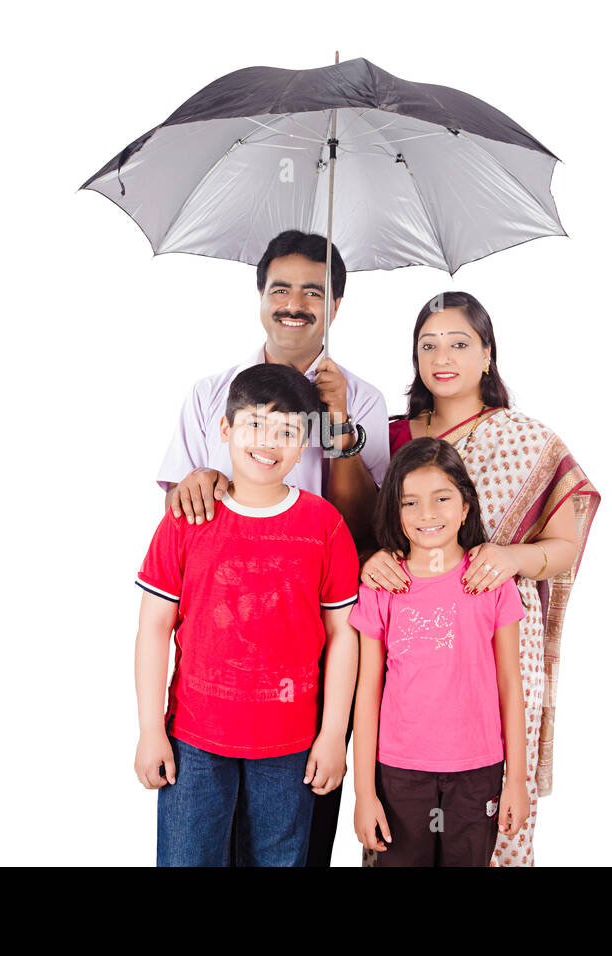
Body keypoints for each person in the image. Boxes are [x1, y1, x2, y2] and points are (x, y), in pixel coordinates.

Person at [156, 229, 389, 866]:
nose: (295, 303)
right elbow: (182, 521)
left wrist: (338, 431)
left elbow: (363, 526)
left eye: (314, 292)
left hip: (310, 645)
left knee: (294, 837)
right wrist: (197, 480)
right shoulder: (211, 392)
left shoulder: (361, 397)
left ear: (335, 306)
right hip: (219, 659)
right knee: (204, 832)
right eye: (280, 288)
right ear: (260, 296)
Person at [360, 291, 602, 867]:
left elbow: (564, 546)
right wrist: (369, 559)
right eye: (428, 344)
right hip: (406, 650)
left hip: (494, 637)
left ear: (488, 355)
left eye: (460, 343)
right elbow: (362, 524)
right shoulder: (388, 433)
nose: (443, 356)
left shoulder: (527, 440)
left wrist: (514, 558)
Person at [134, 363, 361, 866]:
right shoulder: (188, 518)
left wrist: (331, 733)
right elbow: (153, 627)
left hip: (291, 745)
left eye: (287, 431)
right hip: (194, 737)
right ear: (225, 430)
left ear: (304, 445)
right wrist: (151, 729)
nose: (268, 441)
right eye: (255, 424)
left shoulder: (324, 526)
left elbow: (344, 634)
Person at [350, 437, 529, 866]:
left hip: (477, 770)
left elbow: (510, 683)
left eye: (442, 498)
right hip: (398, 773)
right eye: (409, 503)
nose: (427, 514)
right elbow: (367, 692)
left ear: (465, 506)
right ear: (394, 510)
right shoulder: (381, 587)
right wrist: (364, 793)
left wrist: (516, 781)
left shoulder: (491, 583)